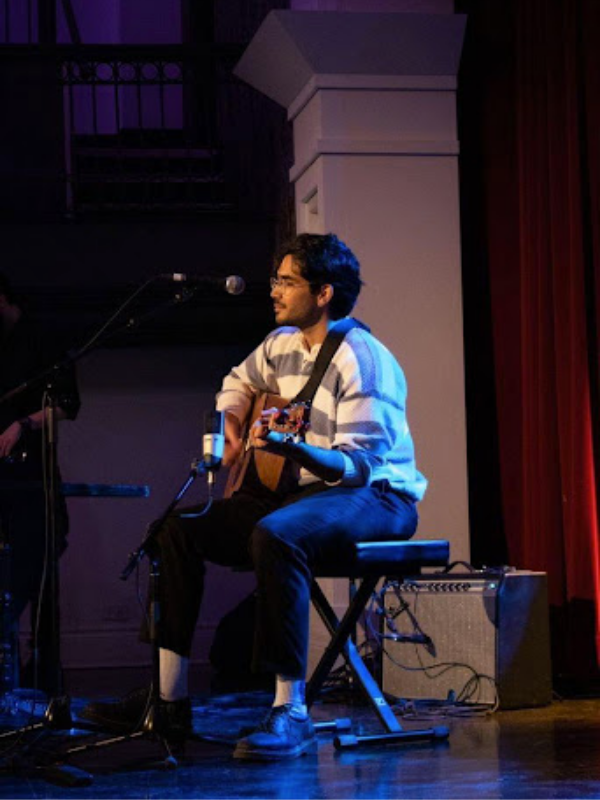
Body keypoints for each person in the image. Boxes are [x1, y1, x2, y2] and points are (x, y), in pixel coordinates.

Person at [82, 233, 427, 760]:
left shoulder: (364, 360)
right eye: (275, 280)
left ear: (324, 293)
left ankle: (291, 711)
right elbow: (237, 381)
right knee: (175, 530)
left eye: (287, 282)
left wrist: (294, 448)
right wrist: (229, 426)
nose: (274, 291)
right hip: (302, 495)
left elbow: (358, 467)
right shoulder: (281, 343)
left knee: (277, 533)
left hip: (376, 497)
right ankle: (167, 699)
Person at [0, 272, 80, 693]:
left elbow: (68, 404)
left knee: (38, 569)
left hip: (31, 478)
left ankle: (44, 672)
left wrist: (23, 424)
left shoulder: (40, 336)